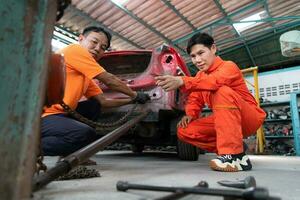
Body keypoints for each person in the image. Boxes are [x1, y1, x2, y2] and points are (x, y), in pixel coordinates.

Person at [155, 33, 266, 172]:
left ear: (213, 48)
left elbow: (214, 82)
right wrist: (190, 114)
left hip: (248, 118)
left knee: (221, 91)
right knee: (184, 130)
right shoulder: (200, 76)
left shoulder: (228, 66)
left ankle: (233, 156)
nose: (198, 60)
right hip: (226, 122)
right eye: (193, 56)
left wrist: (183, 80)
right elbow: (195, 99)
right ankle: (237, 149)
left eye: (201, 53)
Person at [42, 26, 150, 160]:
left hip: (59, 116)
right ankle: (28, 147)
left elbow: (103, 102)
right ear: (81, 39)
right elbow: (109, 80)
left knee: (93, 105)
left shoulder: (85, 75)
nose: (98, 48)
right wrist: (134, 94)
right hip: (43, 117)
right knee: (83, 134)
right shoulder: (74, 50)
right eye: (94, 42)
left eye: (103, 47)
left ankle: (69, 155)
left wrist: (132, 101)